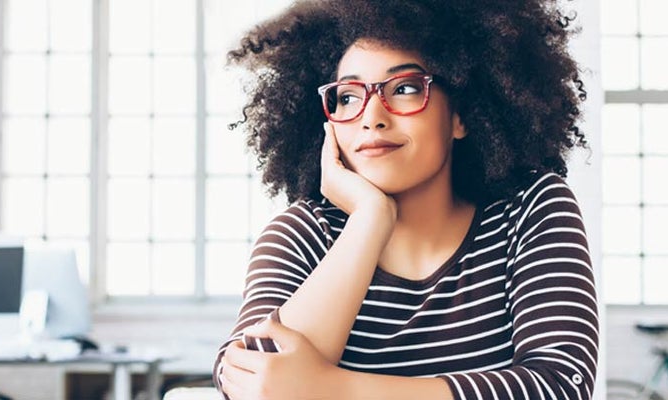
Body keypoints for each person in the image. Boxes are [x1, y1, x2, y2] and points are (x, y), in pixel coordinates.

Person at [212, 0, 598, 399]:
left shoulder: (530, 211)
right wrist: (370, 220)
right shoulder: (301, 235)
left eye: (406, 88)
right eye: (347, 96)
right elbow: (252, 382)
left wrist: (337, 390)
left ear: (461, 116)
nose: (371, 116)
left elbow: (559, 385)